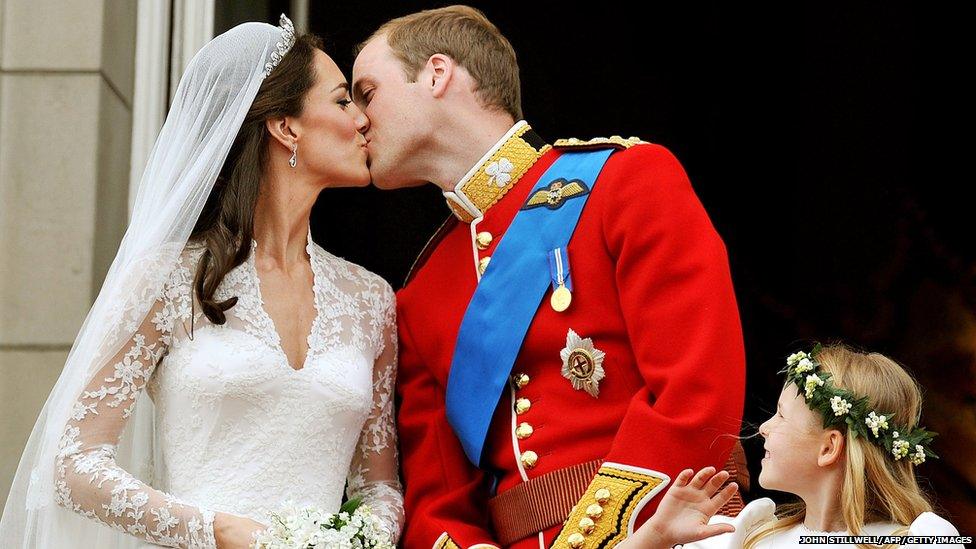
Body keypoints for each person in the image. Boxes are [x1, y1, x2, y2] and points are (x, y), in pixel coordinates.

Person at [0, 15, 403, 548]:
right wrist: (217, 531)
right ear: (288, 127)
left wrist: (354, 541)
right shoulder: (167, 279)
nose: (362, 121)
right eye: (341, 101)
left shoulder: (371, 299)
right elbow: (72, 464)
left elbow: (380, 487)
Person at [352, 5, 747, 548]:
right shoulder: (421, 293)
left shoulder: (625, 182)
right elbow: (436, 503)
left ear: (437, 74)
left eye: (367, 93)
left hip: (669, 530)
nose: (355, 119)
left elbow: (697, 397)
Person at [684, 344, 964, 548]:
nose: (763, 428)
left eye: (781, 414)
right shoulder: (748, 537)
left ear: (829, 448)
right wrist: (659, 537)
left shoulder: (915, 543)